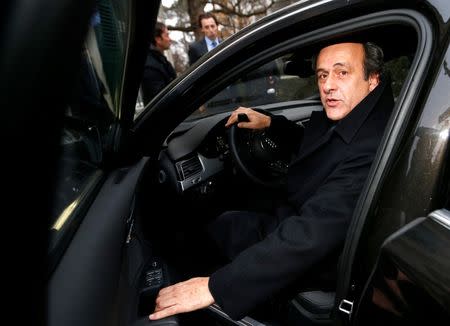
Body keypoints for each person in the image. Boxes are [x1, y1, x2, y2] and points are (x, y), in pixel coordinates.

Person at [149, 41, 394, 321]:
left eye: (342, 73)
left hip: (314, 258)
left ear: (372, 79)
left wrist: (214, 287)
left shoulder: (370, 147)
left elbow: (309, 235)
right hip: (296, 213)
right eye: (322, 75)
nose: (328, 86)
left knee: (220, 226)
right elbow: (321, 146)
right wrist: (271, 123)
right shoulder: (363, 119)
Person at [141, 22, 176, 105]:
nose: (170, 39)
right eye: (167, 35)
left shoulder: (159, 59)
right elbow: (162, 99)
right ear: (158, 39)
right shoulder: (150, 66)